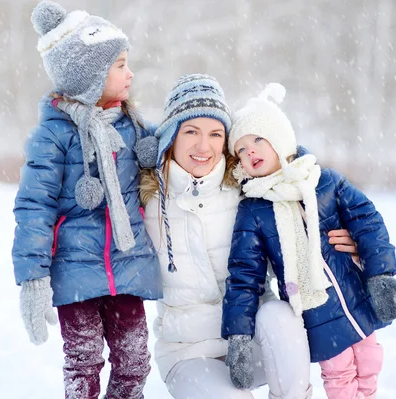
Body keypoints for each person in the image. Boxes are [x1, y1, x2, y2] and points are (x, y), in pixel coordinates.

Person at [140, 74, 358, 399]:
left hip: (254, 340)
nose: (204, 146)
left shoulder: (247, 190)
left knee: (279, 314)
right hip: (188, 355)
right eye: (191, 132)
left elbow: (295, 175)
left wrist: (343, 240)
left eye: (215, 133)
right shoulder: (148, 203)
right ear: (171, 135)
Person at [11, 2, 162, 398]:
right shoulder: (54, 136)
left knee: (135, 361)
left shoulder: (136, 128)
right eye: (120, 65)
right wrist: (32, 279)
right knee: (83, 361)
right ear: (90, 75)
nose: (130, 74)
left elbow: (187, 144)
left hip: (128, 266)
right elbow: (34, 209)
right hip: (75, 268)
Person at [222, 83, 396, 399]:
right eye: (241, 149)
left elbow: (368, 223)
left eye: (258, 140)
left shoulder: (325, 182)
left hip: (355, 294)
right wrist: (238, 334)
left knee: (370, 359)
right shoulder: (253, 209)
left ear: (279, 138)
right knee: (339, 373)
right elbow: (244, 275)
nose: (250, 151)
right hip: (314, 311)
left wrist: (381, 275)